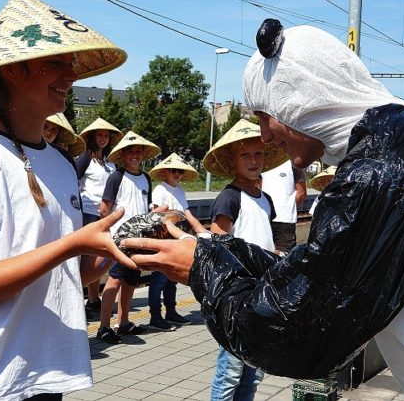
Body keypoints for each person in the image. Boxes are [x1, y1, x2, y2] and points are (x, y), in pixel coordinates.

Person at [123, 20, 404, 399]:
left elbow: (295, 331)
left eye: (265, 116)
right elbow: (321, 276)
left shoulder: (377, 175)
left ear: (299, 99)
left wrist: (201, 269)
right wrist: (218, 251)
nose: (265, 136)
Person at [0, 0, 132, 400]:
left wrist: (119, 247)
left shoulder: (58, 162)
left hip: (44, 376)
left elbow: (67, 275)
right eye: (56, 62)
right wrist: (72, 244)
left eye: (71, 64)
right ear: (14, 70)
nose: (70, 76)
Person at [202, 119, 283, 401]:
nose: (253, 161)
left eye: (258, 154)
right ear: (231, 160)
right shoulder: (229, 198)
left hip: (262, 291)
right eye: (244, 155)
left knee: (254, 370)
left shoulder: (265, 199)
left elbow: (263, 239)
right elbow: (218, 243)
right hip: (237, 295)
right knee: (230, 372)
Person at [96, 131, 160, 344]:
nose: (135, 155)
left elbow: (147, 205)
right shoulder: (116, 177)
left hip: (140, 239)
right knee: (113, 281)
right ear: (123, 155)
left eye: (138, 151)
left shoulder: (146, 178)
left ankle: (123, 322)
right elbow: (104, 208)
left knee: (131, 281)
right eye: (130, 151)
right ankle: (104, 327)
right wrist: (111, 234)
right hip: (121, 239)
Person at [76, 118, 123, 317]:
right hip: (88, 213)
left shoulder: (110, 163)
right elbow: (73, 180)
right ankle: (89, 299)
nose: (103, 139)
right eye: (99, 135)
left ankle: (94, 299)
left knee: (98, 258)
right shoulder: (85, 158)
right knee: (88, 259)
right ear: (92, 137)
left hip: (106, 214)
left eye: (106, 136)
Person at [147, 153, 199, 331]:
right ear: (166, 172)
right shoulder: (160, 190)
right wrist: (165, 211)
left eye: (180, 171)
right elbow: (154, 216)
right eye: (173, 170)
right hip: (164, 238)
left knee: (173, 279)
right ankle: (155, 316)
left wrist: (195, 231)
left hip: (179, 238)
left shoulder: (181, 190)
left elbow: (186, 212)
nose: (176, 174)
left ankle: (171, 312)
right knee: (159, 279)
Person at [261, 160, 306, 254]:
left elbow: (301, 194)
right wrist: (289, 208)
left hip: (262, 216)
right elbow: (301, 193)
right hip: (284, 218)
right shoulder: (293, 162)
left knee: (262, 255)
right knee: (285, 257)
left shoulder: (261, 159)